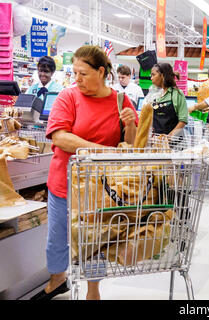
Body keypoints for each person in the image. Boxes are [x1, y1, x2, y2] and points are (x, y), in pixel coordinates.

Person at [30, 45, 138, 301]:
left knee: (95, 242)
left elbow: (131, 145)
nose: (77, 79)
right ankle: (57, 279)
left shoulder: (121, 101)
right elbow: (61, 138)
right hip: (64, 183)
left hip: (100, 189)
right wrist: (102, 151)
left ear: (101, 72)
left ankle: (93, 290)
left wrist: (131, 123)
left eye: (83, 74)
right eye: (75, 73)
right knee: (57, 238)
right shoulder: (68, 97)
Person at [150, 63, 188, 136]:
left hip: (174, 142)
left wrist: (168, 138)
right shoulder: (153, 95)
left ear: (163, 75)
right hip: (156, 141)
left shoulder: (177, 94)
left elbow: (183, 121)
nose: (151, 78)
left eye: (153, 75)